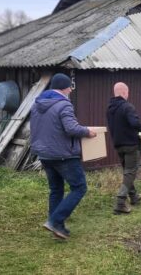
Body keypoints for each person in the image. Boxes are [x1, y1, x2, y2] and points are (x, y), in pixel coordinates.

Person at [31, 73, 97, 240]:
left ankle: (57, 227)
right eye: (70, 87)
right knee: (79, 187)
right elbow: (71, 128)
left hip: (44, 154)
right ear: (65, 88)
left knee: (56, 189)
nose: (70, 90)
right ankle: (55, 220)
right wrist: (87, 131)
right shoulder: (63, 105)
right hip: (63, 155)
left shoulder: (38, 104)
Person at [107, 82, 141, 215]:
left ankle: (133, 197)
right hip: (130, 145)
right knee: (130, 172)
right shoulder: (127, 107)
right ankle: (120, 202)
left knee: (127, 171)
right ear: (124, 92)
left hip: (118, 145)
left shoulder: (110, 108)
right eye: (127, 93)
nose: (128, 95)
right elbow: (134, 122)